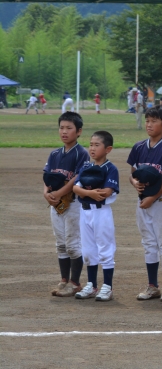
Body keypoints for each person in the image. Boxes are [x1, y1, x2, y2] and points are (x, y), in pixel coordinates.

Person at [128, 107, 162, 302]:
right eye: (147, 120)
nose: (149, 124)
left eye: (154, 121)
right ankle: (152, 286)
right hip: (143, 201)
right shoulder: (139, 147)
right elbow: (133, 174)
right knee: (149, 244)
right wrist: (135, 183)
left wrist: (153, 197)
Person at [44, 112, 90, 297]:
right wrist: (46, 194)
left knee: (72, 244)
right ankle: (64, 280)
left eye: (69, 128)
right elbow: (47, 177)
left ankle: (75, 283)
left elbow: (77, 179)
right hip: (56, 204)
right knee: (61, 244)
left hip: (74, 204)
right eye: (61, 128)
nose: (64, 131)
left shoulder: (81, 153)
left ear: (78, 131)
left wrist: (57, 194)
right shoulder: (54, 154)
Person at [72, 131, 119, 302]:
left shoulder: (110, 168)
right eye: (91, 144)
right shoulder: (86, 167)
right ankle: (91, 285)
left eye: (97, 145)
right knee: (88, 250)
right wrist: (90, 193)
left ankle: (107, 286)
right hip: (85, 212)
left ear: (108, 149)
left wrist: (86, 191)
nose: (92, 148)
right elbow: (75, 188)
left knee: (105, 248)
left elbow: (106, 192)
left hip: (101, 212)